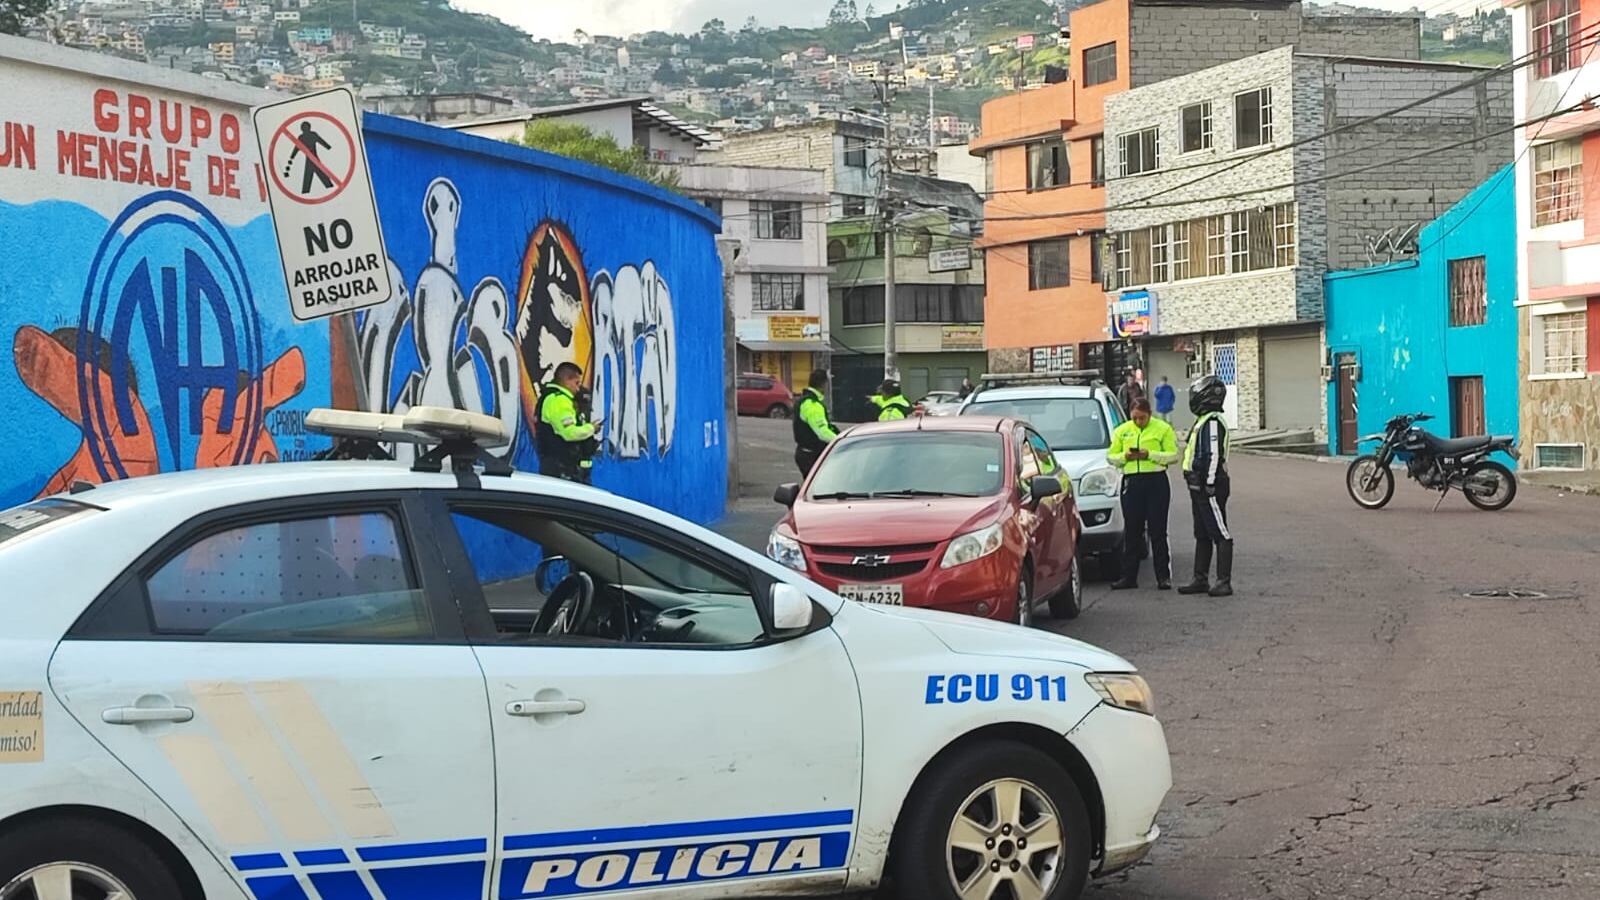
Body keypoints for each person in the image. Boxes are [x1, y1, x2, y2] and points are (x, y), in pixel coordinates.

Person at [1106, 398, 1178, 591]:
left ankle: (1163, 576)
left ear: (1149, 414)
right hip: (1132, 481)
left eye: (1142, 418)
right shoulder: (1122, 430)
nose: (1139, 422)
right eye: (1135, 418)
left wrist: (1150, 455)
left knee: (1158, 530)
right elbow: (1110, 456)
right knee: (1132, 530)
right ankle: (1129, 577)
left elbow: (1173, 455)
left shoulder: (1162, 428)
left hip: (1156, 481)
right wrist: (1124, 457)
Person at [1178, 374, 1233, 597]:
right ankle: (1200, 578)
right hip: (1197, 485)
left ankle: (1224, 581)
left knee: (1220, 532)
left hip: (1208, 486)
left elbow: (1212, 455)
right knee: (1202, 532)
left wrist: (1208, 484)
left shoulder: (1211, 421)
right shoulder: (1204, 420)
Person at [535, 362, 601, 483]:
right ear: (567, 380)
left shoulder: (558, 399)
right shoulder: (559, 400)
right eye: (576, 383)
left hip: (564, 469)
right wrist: (591, 428)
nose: (578, 388)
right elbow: (569, 433)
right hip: (561, 470)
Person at [793, 368, 838, 476]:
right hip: (811, 455)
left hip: (807, 454)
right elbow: (822, 433)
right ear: (823, 384)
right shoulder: (812, 404)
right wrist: (840, 442)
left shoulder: (806, 400)